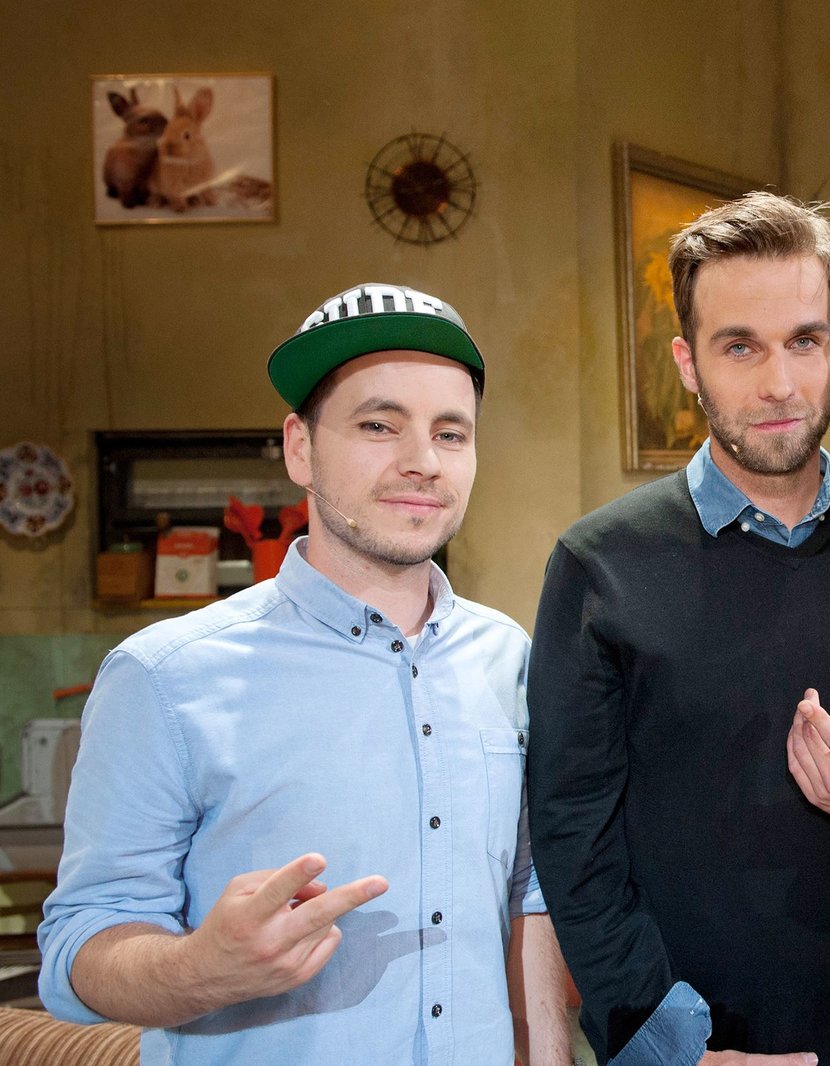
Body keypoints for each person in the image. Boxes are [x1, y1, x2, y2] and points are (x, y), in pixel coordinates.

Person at [39, 283, 571, 1066]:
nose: (422, 462)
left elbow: (529, 889)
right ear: (299, 447)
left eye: (450, 433)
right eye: (379, 425)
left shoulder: (509, 657)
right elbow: (79, 943)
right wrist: (199, 969)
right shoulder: (163, 678)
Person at [527, 192, 830, 1065]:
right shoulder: (600, 566)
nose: (778, 384)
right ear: (688, 363)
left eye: (804, 342)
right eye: (740, 346)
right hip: (692, 1038)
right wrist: (668, 1044)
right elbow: (570, 835)